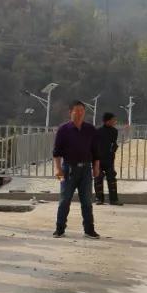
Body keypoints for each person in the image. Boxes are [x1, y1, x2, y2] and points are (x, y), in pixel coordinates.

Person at [53, 100, 101, 238]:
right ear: (71, 112)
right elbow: (56, 152)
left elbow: (96, 151)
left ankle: (89, 230)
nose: (79, 113)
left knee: (87, 201)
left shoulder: (90, 129)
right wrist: (57, 169)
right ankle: (60, 229)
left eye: (82, 110)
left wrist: (96, 167)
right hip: (67, 169)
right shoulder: (63, 129)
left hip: (86, 170)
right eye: (76, 110)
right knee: (64, 200)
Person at [94, 112, 122, 206]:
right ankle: (99, 199)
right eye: (113, 120)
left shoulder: (114, 131)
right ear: (107, 121)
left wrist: (114, 148)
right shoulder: (98, 131)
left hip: (109, 159)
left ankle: (114, 199)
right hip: (98, 159)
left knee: (111, 178)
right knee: (98, 178)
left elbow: (113, 142)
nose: (115, 122)